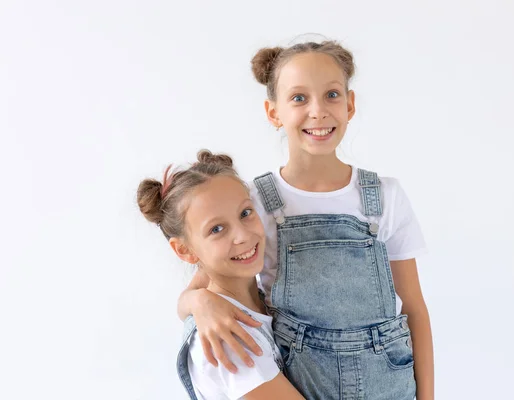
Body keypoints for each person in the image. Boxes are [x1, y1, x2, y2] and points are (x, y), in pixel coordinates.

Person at [178, 40, 434, 399]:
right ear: (273, 112)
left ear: (350, 104)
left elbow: (414, 307)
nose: (318, 112)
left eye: (331, 94)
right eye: (299, 98)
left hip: (389, 386)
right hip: (304, 385)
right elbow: (198, 288)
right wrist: (199, 304)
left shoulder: (385, 197)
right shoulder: (253, 204)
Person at [137, 150, 305, 399]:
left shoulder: (257, 298)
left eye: (245, 213)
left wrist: (197, 300)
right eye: (216, 229)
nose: (243, 236)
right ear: (184, 250)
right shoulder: (227, 340)